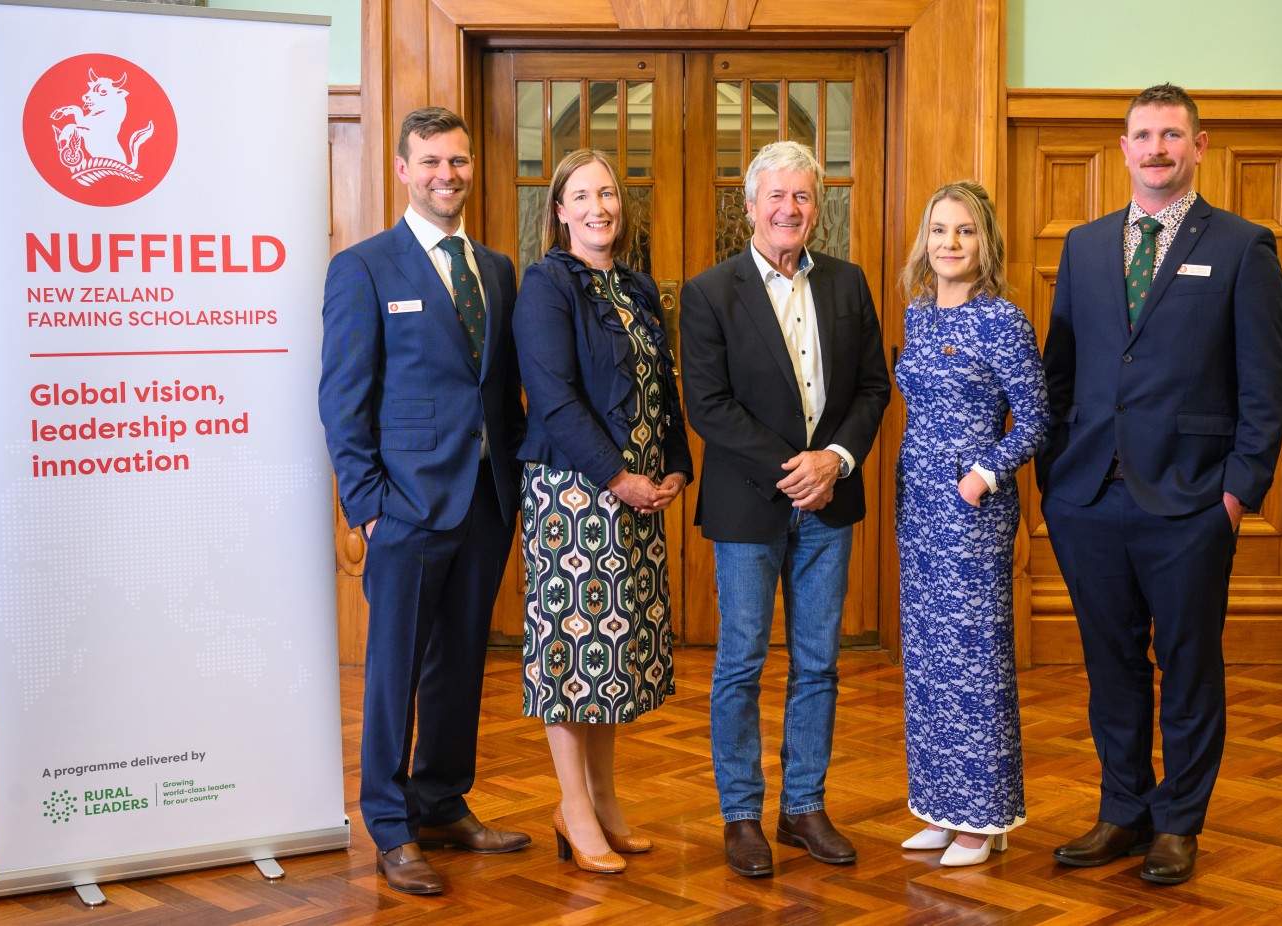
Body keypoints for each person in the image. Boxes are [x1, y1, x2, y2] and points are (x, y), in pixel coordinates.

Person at [1038, 83, 1282, 886]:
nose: (1155, 149)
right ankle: (1122, 809)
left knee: (1186, 663)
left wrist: (1237, 490)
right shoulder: (1081, 246)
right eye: (1142, 135)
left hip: (1189, 501)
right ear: (1122, 149)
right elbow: (1061, 371)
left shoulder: (1243, 246)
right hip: (1088, 499)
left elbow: (1265, 385)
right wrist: (1054, 481)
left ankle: (1178, 821)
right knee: (1110, 663)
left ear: (1198, 145)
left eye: (1170, 136)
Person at [318, 107, 530, 896]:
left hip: (482, 500)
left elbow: (501, 395)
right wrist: (367, 505)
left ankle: (441, 801)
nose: (448, 175)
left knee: (460, 663)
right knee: (393, 670)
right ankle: (390, 823)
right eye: (432, 162)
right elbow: (344, 398)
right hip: (404, 506)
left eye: (460, 161)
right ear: (403, 171)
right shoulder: (365, 267)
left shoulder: (497, 269)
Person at [680, 140, 892, 877]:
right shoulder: (710, 291)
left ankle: (803, 807)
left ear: (816, 206)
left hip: (829, 505)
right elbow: (706, 405)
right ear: (748, 207)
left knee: (818, 664)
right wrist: (793, 469)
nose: (788, 209)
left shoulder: (847, 283)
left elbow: (872, 388)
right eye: (774, 196)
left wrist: (834, 461)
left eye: (801, 197)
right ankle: (740, 816)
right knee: (739, 664)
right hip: (748, 509)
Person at [514, 149, 692, 874]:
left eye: (608, 193)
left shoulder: (637, 287)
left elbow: (662, 387)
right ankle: (571, 806)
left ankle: (605, 800)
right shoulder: (545, 284)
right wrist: (617, 476)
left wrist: (677, 463)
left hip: (637, 493)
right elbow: (552, 397)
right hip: (572, 495)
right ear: (558, 210)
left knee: (610, 655)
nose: (598, 207)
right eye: (581, 195)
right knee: (571, 655)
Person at [894, 180, 1047, 867]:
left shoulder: (1002, 320)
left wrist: (982, 475)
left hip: (970, 508)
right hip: (915, 503)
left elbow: (1038, 419)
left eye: (963, 231)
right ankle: (937, 805)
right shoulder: (916, 315)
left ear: (985, 242)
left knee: (973, 661)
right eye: (938, 230)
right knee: (926, 657)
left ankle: (981, 821)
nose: (949, 243)